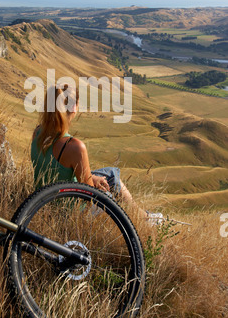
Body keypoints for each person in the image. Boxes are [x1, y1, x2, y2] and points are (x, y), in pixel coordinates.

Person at [30, 84, 163, 223]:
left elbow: (53, 171)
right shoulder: (74, 146)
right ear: (74, 108)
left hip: (42, 204)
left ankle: (143, 216)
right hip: (71, 213)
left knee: (111, 173)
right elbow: (88, 195)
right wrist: (94, 183)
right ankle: (144, 219)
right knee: (110, 181)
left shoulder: (37, 133)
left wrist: (91, 177)